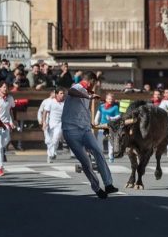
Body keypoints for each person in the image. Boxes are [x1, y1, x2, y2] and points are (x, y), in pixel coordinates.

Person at [61, 71, 118, 199]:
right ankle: (97, 188)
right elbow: (71, 92)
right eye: (95, 84)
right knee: (86, 162)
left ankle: (108, 184)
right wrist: (88, 96)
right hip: (71, 131)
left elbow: (81, 110)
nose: (95, 87)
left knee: (98, 151)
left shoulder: (87, 92)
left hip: (84, 130)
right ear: (91, 81)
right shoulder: (77, 87)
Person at [93, 93, 120, 163]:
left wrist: (111, 118)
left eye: (112, 99)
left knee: (110, 141)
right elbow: (98, 114)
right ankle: (100, 155)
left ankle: (111, 155)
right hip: (102, 125)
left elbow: (118, 116)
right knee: (99, 139)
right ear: (106, 99)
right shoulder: (101, 106)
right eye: (109, 99)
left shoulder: (115, 107)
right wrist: (96, 121)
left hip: (111, 126)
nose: (110, 100)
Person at [0, 81, 15, 176]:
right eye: (3, 87)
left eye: (6, 87)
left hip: (6, 124)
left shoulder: (10, 98)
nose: (5, 89)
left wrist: (12, 122)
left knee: (5, 142)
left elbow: (10, 111)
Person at [42, 87, 65, 163]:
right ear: (56, 94)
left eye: (63, 93)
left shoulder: (64, 103)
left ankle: (52, 153)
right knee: (49, 141)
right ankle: (50, 155)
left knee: (56, 138)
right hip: (51, 124)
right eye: (61, 93)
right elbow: (45, 112)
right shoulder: (51, 102)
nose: (62, 95)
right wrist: (44, 122)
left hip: (60, 124)